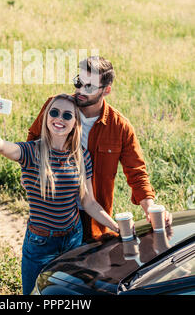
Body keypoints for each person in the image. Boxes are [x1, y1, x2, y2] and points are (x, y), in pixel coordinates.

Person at [0, 93, 119, 295]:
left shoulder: (81, 156)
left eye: (67, 115)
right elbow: (0, 146)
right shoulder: (31, 152)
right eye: (54, 112)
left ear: (75, 122)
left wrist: (116, 227)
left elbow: (88, 202)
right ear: (46, 118)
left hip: (73, 238)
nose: (59, 119)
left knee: (66, 295)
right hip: (41, 243)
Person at [27, 56, 172, 242]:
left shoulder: (120, 127)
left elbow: (137, 173)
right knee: (48, 268)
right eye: (79, 82)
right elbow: (32, 144)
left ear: (106, 90)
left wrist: (151, 209)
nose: (80, 90)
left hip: (94, 218)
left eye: (89, 87)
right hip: (52, 215)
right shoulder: (55, 108)